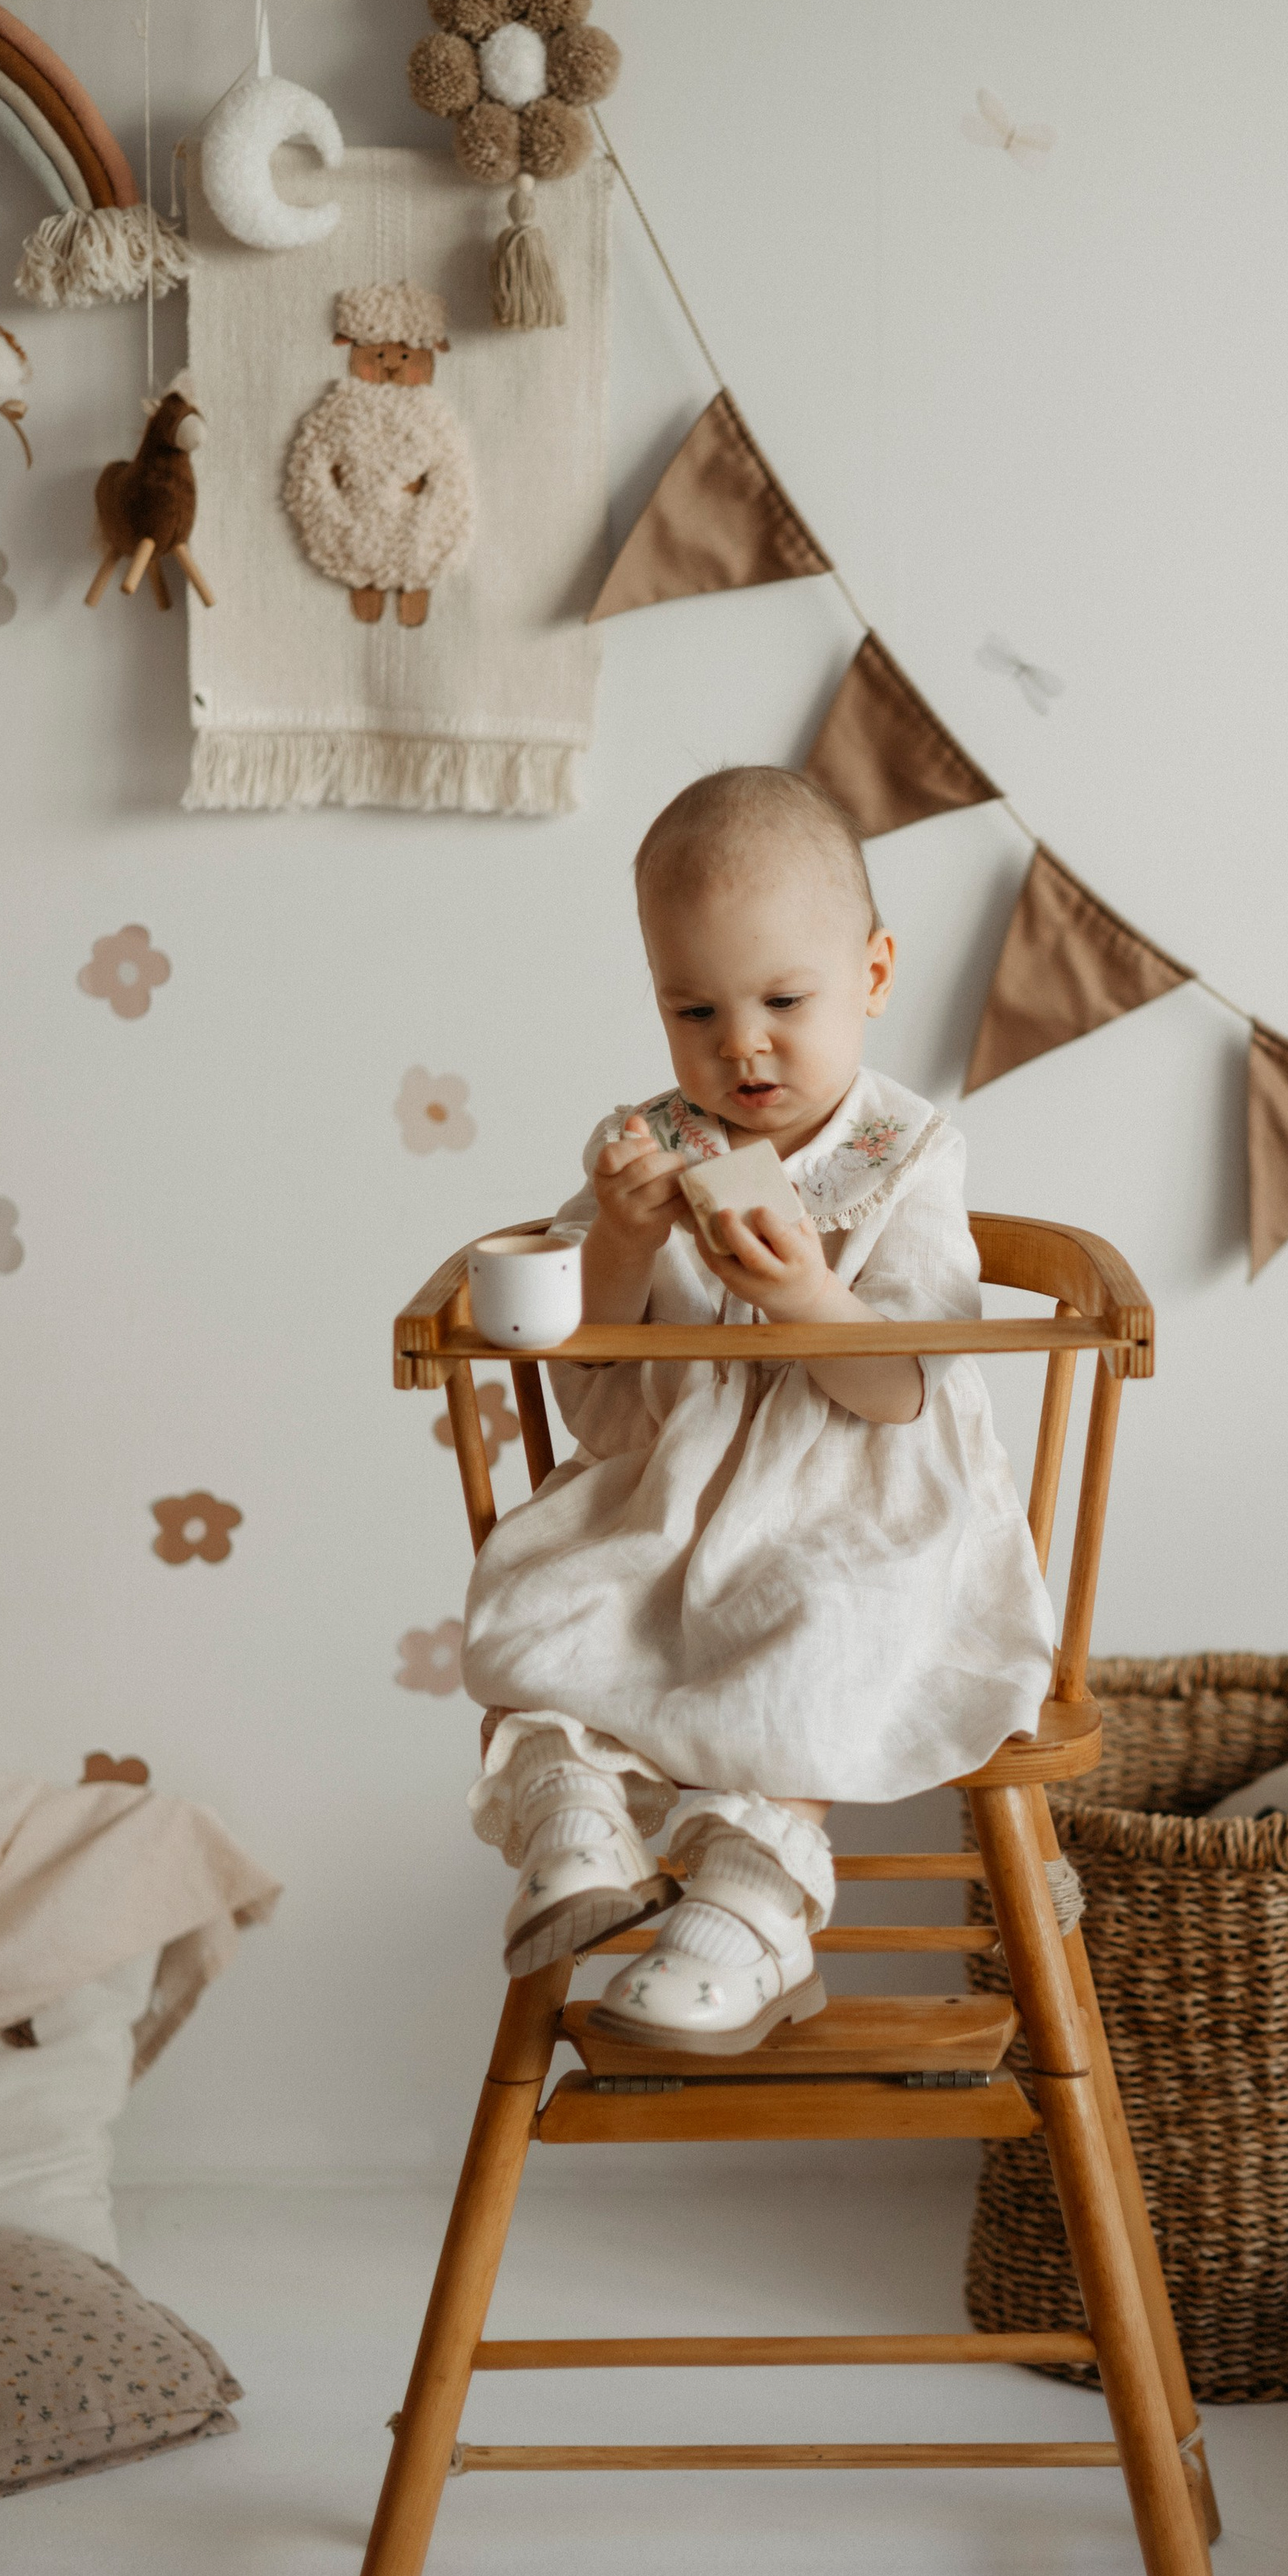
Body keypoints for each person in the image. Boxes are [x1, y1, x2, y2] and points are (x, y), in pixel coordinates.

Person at [460, 765, 1055, 2051]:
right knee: (552, 1579)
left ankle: (749, 1901)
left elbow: (900, 1383)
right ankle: (576, 1819)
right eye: (695, 1008)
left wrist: (806, 1295)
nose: (743, 1045)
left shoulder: (906, 1154)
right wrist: (617, 1241)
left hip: (855, 1501)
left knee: (815, 1620)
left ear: (875, 973)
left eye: (786, 1000)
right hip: (675, 1487)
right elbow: (596, 1383)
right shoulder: (651, 1143)